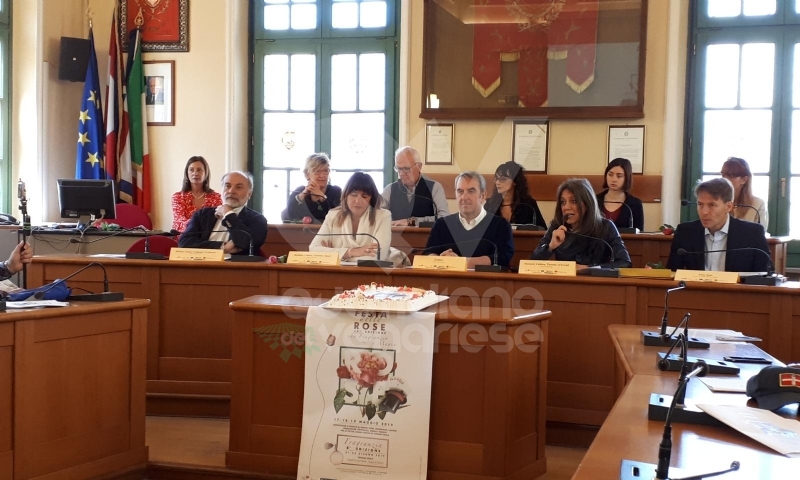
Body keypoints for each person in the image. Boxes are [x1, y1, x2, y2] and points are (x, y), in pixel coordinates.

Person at [667, 177, 770, 272]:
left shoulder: (752, 233)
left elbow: (765, 276)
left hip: (738, 291)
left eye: (712, 205)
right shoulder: (685, 232)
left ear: (728, 206)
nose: (704, 212)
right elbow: (672, 273)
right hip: (696, 291)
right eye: (700, 204)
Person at [531, 178, 632, 269]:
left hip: (596, 284)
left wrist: (589, 268)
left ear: (587, 204)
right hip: (564, 284)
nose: (566, 207)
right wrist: (551, 246)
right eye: (563, 202)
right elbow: (532, 263)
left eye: (574, 201)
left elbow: (625, 263)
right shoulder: (557, 226)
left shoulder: (605, 227)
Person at [424, 171, 514, 268]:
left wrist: (462, 262)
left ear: (483, 196)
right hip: (448, 281)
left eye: (471, 191)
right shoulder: (442, 224)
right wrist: (441, 259)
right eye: (460, 191)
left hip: (486, 282)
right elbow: (427, 253)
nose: (464, 197)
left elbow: (503, 258)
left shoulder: (500, 225)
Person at [309, 172, 395, 264]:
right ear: (346, 195)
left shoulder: (383, 216)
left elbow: (377, 257)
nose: (358, 200)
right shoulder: (333, 215)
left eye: (364, 196)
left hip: (371, 275)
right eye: (353, 194)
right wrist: (351, 252)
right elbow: (313, 250)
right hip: (337, 273)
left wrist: (334, 254)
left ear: (371, 199)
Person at [179, 171, 268, 256]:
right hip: (200, 267)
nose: (231, 191)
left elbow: (246, 243)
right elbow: (184, 243)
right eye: (227, 186)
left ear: (249, 194)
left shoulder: (257, 220)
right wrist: (222, 247)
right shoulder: (202, 214)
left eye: (238, 187)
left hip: (237, 269)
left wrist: (228, 214)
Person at [381, 146, 449, 226]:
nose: (401, 173)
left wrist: (412, 221)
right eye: (398, 169)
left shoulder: (434, 187)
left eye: (406, 168)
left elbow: (445, 218)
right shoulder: (390, 189)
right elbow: (376, 214)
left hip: (426, 237)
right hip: (396, 237)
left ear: (419, 167)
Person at [484, 161, 546, 228]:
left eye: (502, 179)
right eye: (496, 179)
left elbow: (542, 230)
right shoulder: (488, 205)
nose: (497, 182)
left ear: (515, 181)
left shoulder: (529, 205)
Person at [283, 153, 342, 223]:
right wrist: (302, 195)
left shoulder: (336, 191)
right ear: (307, 174)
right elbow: (289, 214)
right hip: (301, 233)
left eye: (326, 171)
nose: (322, 175)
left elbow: (337, 218)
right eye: (317, 172)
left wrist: (322, 197)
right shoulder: (299, 191)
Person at [171, 156, 223, 233]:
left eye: (199, 170)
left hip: (208, 239)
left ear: (206, 173)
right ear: (187, 173)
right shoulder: (177, 197)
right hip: (184, 239)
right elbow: (179, 222)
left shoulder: (216, 197)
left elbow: (217, 223)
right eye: (191, 170)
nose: (195, 173)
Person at [596, 158, 644, 232]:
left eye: (619, 176)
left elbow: (640, 234)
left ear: (627, 178)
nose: (614, 179)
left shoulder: (635, 204)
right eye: (610, 174)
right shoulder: (595, 200)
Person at [721, 156, 768, 230]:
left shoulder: (758, 204)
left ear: (744, 180)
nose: (725, 180)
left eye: (731, 176)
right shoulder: (717, 202)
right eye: (723, 175)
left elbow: (760, 235)